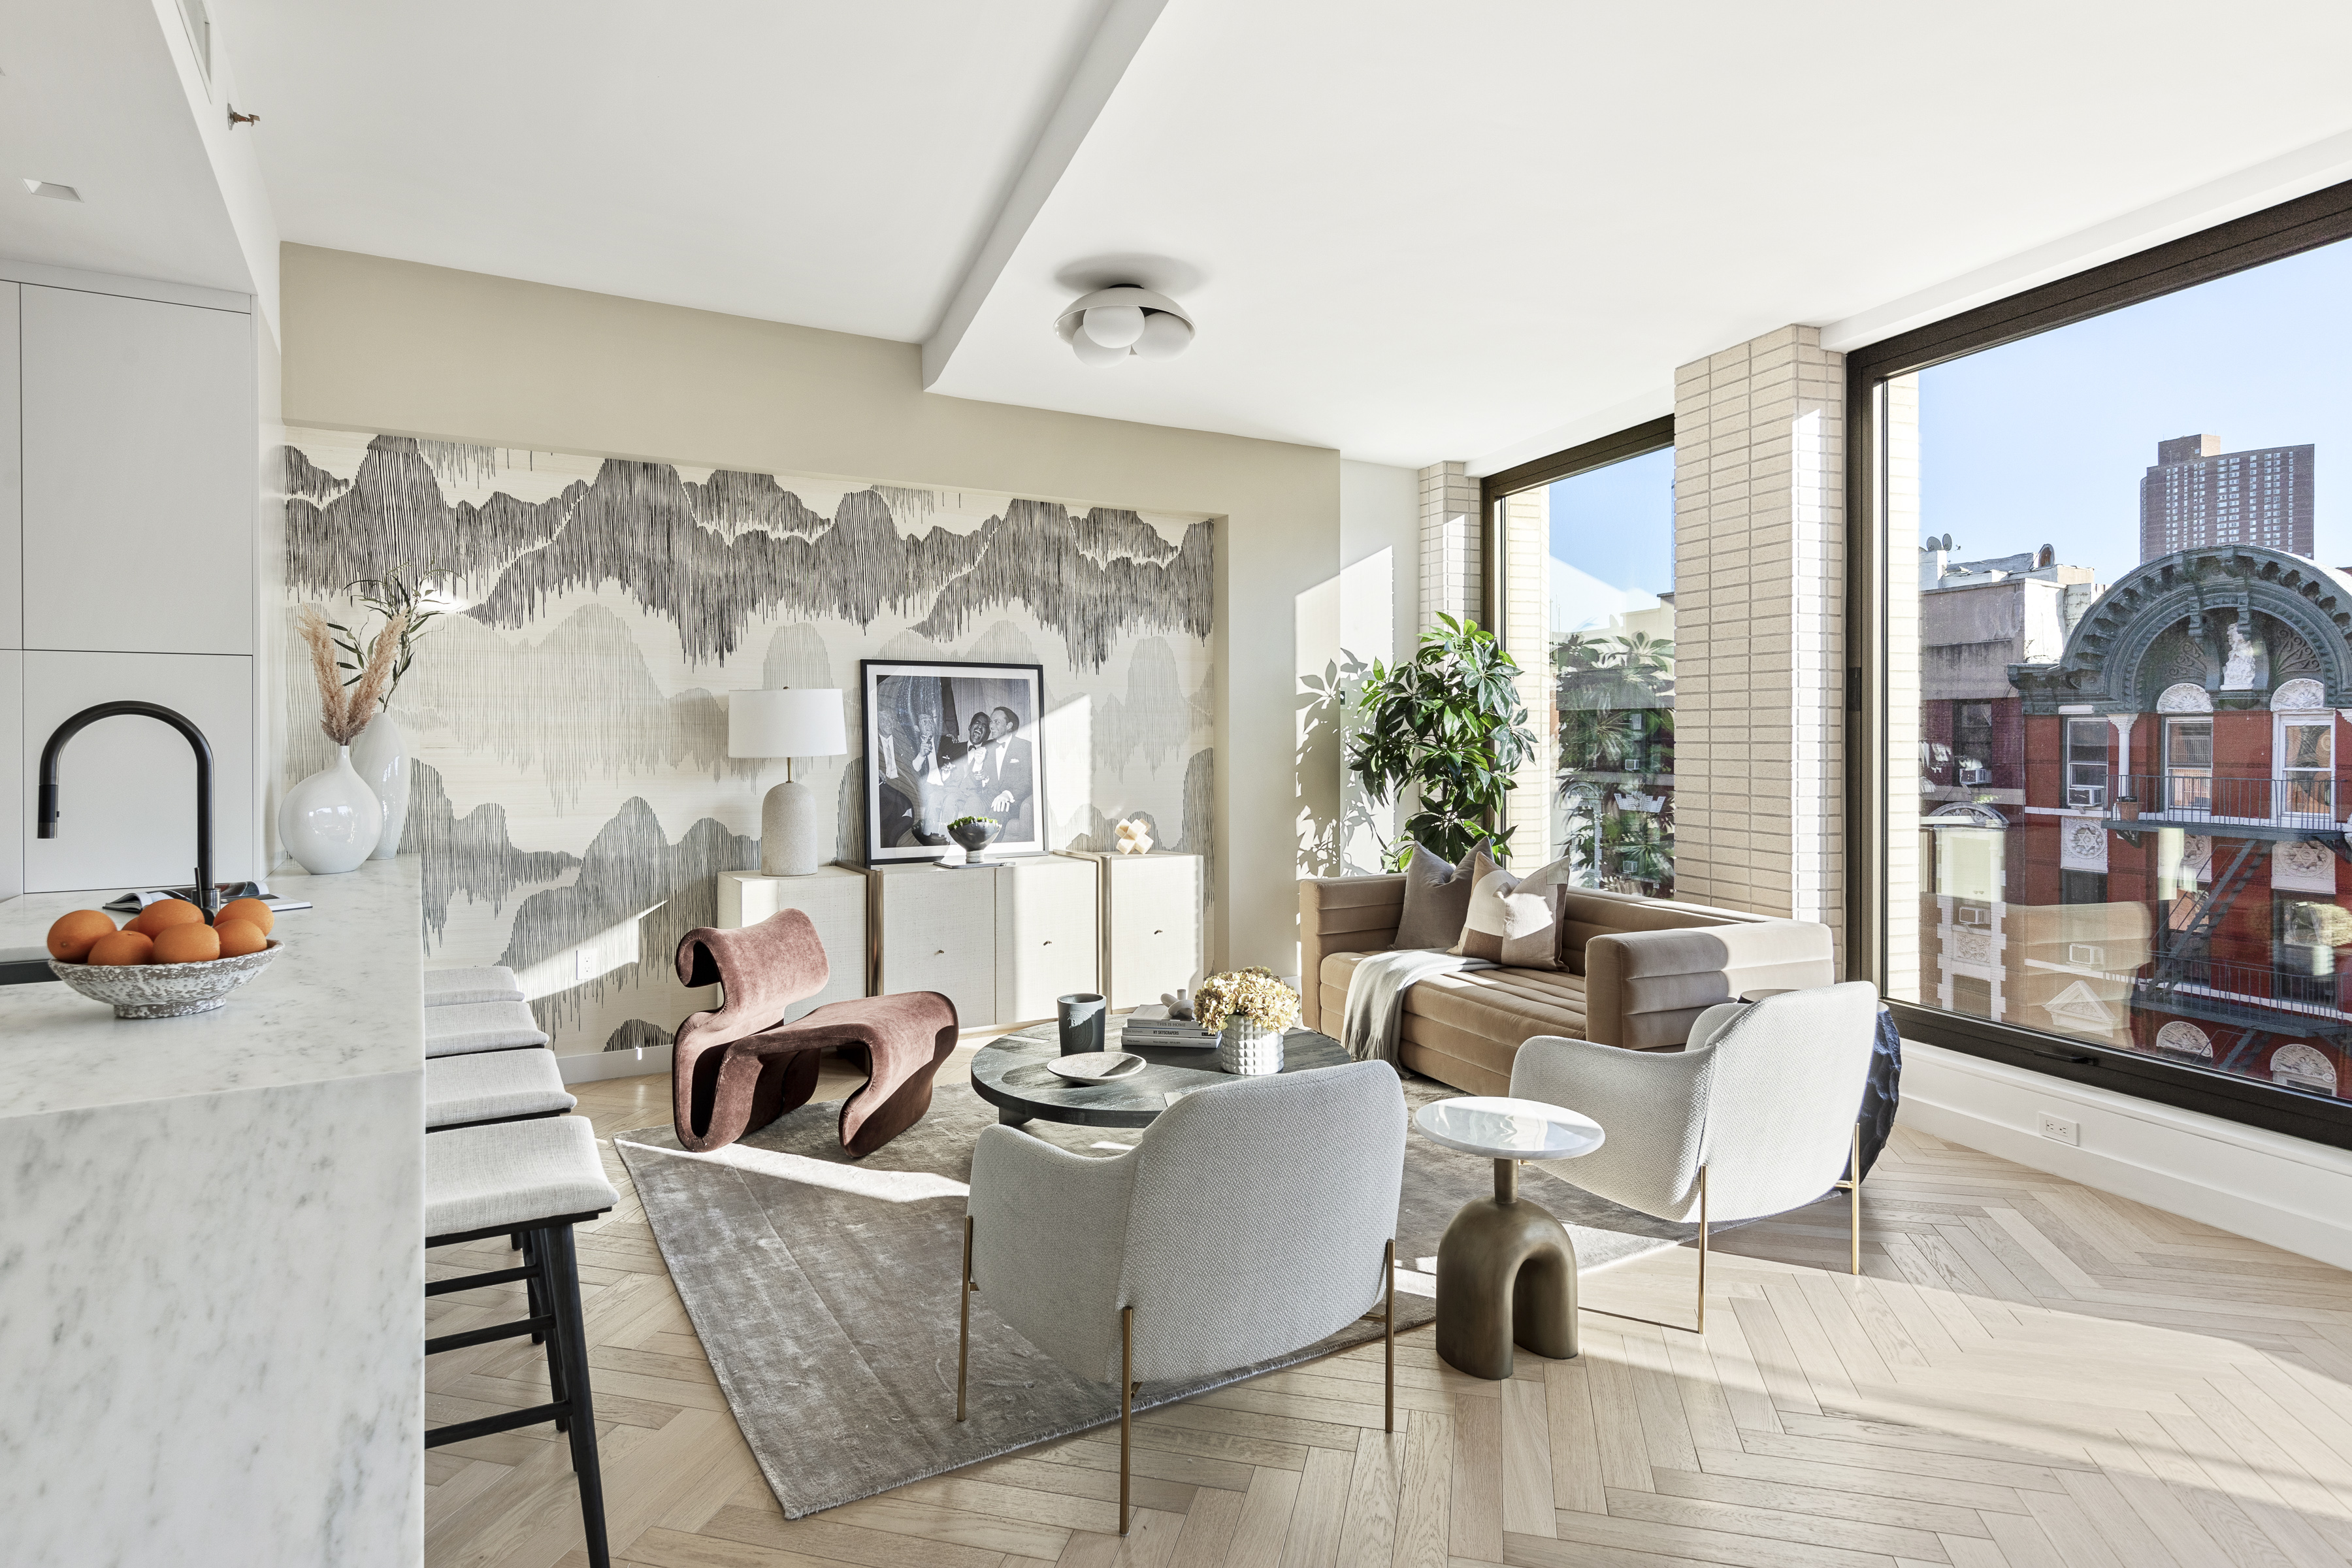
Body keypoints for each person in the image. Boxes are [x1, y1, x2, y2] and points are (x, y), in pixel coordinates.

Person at [984, 703, 1034, 842]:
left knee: (999, 809)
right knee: (973, 803)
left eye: (997, 722)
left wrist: (1007, 794)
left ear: (1009, 726)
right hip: (989, 797)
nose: (991, 726)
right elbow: (980, 777)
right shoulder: (987, 747)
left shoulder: (1025, 747)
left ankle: (987, 855)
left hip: (1012, 801)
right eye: (991, 722)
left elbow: (1028, 780)